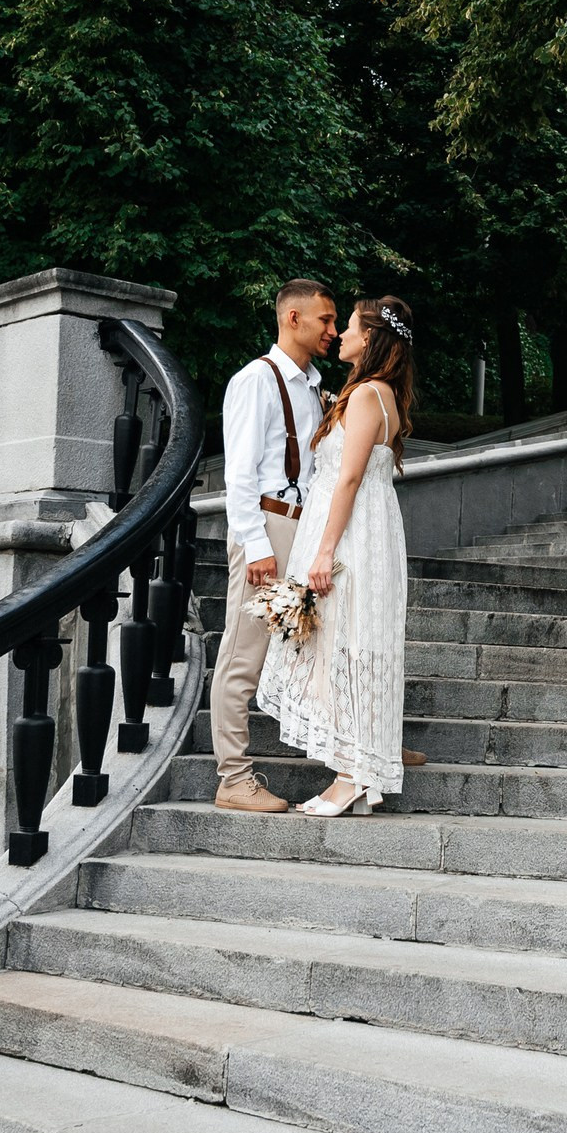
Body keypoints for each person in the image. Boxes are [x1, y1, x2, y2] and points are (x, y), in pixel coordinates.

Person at [256, 296, 416, 815]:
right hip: (364, 529)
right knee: (343, 647)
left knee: (340, 648)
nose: (340, 334)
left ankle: (351, 776)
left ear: (369, 339)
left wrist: (323, 552)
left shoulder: (369, 394)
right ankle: (357, 775)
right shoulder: (377, 394)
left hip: (347, 538)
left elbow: (347, 478)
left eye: (347, 326)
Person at [208, 279, 339, 812]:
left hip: (304, 529)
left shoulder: (312, 384)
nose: (332, 330)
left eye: (334, 323)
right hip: (269, 526)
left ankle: (356, 750)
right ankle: (233, 777)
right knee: (244, 653)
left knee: (322, 643)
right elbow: (238, 477)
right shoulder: (255, 381)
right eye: (325, 320)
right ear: (293, 319)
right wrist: (256, 545)